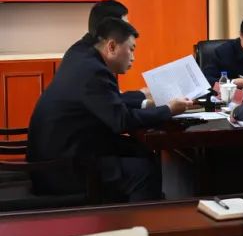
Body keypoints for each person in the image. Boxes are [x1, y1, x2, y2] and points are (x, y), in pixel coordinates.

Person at [28, 18, 193, 202]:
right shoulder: (94, 71)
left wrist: (145, 99)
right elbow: (121, 120)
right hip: (61, 170)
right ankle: (141, 219)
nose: (133, 57)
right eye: (131, 49)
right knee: (144, 171)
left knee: (142, 150)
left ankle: (145, 209)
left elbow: (111, 103)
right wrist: (169, 109)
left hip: (60, 153)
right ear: (112, 47)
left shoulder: (82, 57)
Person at [60, 0, 149, 109]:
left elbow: (109, 99)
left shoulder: (79, 49)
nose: (129, 30)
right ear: (111, 27)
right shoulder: (94, 68)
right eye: (125, 26)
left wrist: (142, 94)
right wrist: (165, 108)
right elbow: (118, 113)